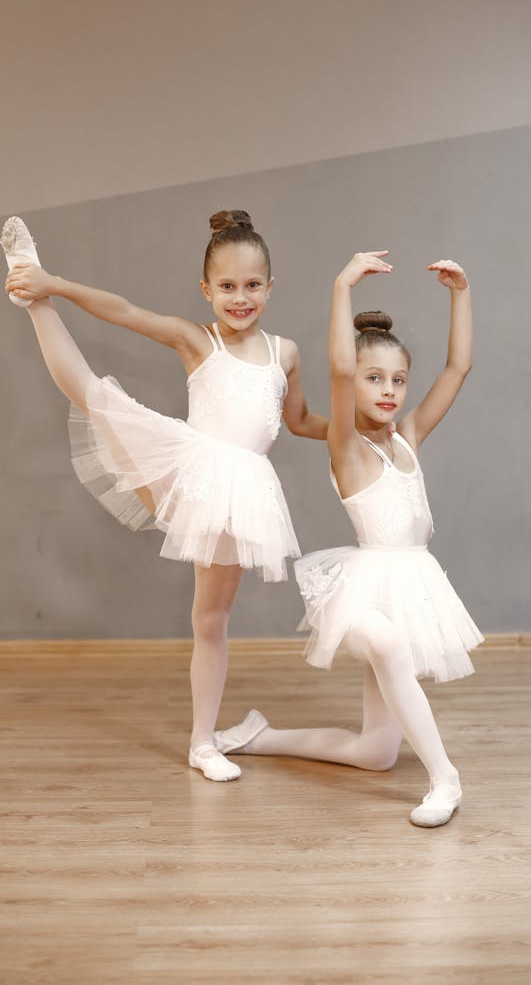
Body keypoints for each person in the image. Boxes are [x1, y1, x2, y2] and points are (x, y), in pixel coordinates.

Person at [0, 210, 327, 782]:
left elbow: (299, 420)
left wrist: (361, 426)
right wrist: (54, 285)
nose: (240, 298)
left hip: (243, 491)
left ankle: (203, 742)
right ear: (207, 291)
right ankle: (35, 293)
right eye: (227, 287)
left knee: (211, 620)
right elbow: (125, 311)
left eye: (252, 286)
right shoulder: (197, 339)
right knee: (95, 397)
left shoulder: (286, 353)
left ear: (271, 287)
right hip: (186, 468)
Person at [215, 250, 483, 825]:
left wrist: (460, 293)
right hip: (362, 593)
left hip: (411, 588)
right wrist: (342, 285)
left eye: (398, 380)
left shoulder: (408, 435)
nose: (388, 391)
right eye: (374, 379)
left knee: (376, 753)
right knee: (385, 646)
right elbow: (337, 368)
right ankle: (446, 779)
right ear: (354, 385)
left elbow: (457, 368)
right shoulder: (346, 444)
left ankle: (260, 737)